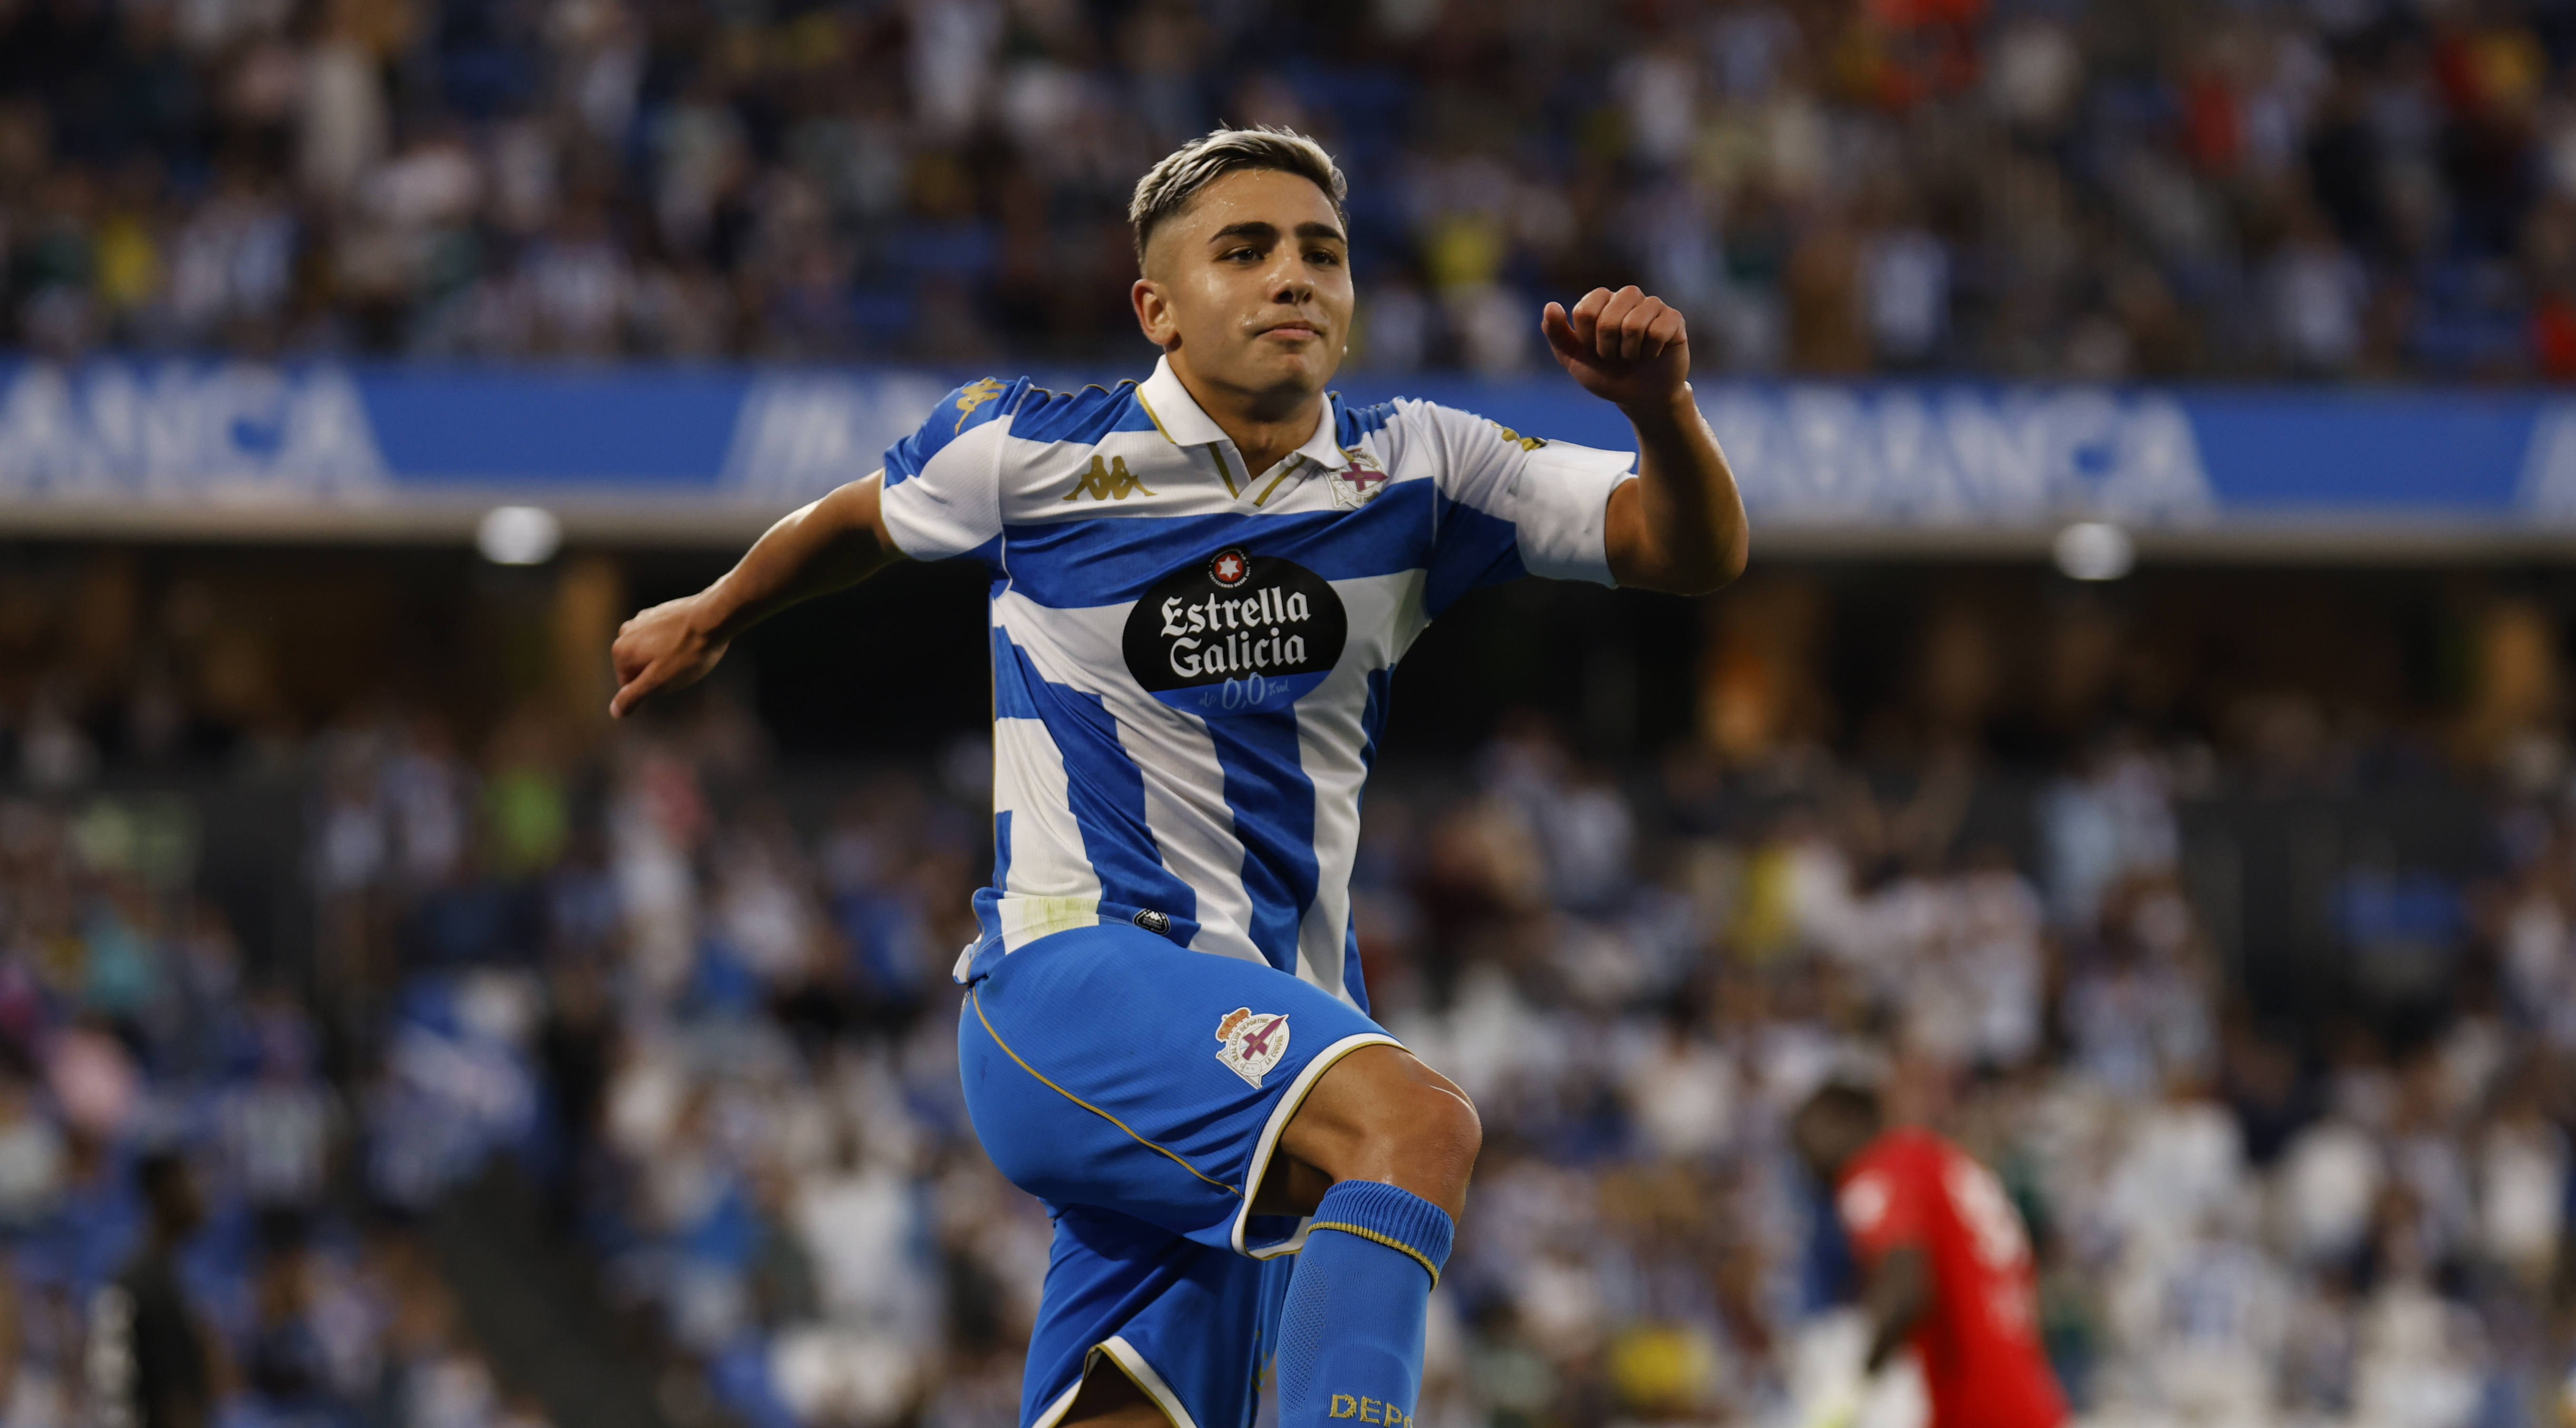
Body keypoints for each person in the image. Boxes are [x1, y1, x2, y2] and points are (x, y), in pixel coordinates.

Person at [608, 125, 1747, 1428]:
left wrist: (1660, 410)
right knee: (1414, 1127)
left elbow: (1685, 551)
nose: (1292, 278)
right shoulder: (1024, 450)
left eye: (1321, 252)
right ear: (1155, 307)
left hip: (1253, 1035)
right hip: (1069, 984)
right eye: (1245, 250)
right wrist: (712, 612)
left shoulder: (1425, 467)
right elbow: (856, 521)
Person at [1790, 1082, 2067, 1428]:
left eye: (1804, 1145)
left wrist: (1853, 1384)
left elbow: (1906, 1287)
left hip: (1977, 1408)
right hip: (2023, 1396)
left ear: (1838, 1125)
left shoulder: (1878, 1169)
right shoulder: (1938, 1161)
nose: (1806, 1165)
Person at [94, 1151, 213, 1428]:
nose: (202, 1194)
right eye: (190, 1181)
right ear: (166, 1190)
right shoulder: (139, 1282)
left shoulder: (171, 1273)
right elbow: (167, 1400)